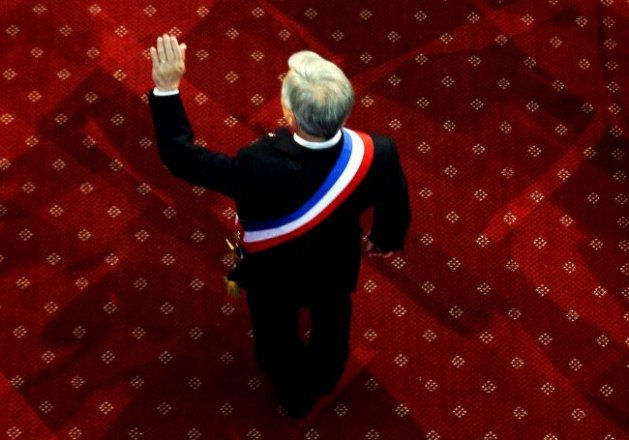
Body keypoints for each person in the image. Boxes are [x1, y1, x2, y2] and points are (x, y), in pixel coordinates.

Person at [147, 34, 411, 418]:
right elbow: (394, 197)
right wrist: (386, 237)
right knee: (333, 322)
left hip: (274, 275)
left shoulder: (258, 162)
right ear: (344, 113)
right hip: (335, 264)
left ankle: (294, 395)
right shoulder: (378, 151)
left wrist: (167, 88)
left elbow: (182, 158)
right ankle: (325, 376)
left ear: (290, 116)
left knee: (276, 338)